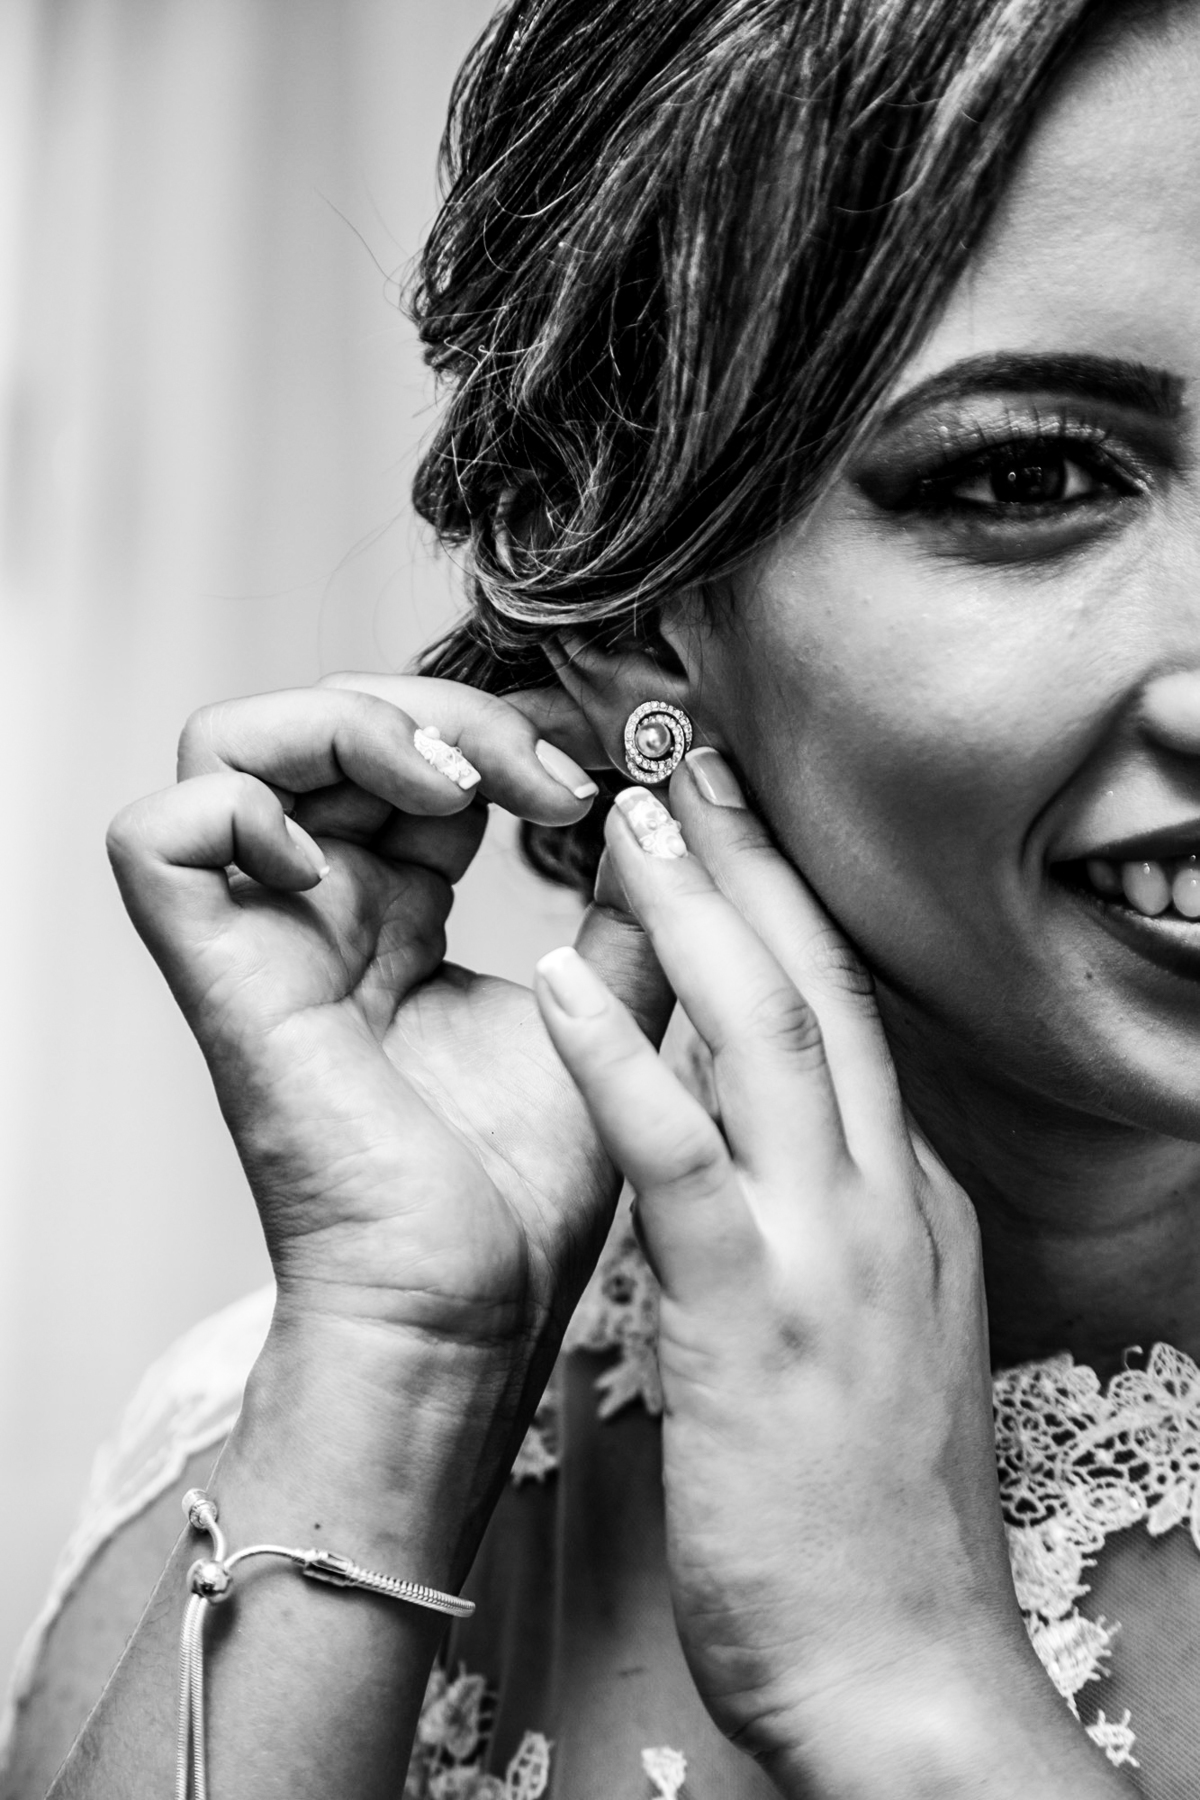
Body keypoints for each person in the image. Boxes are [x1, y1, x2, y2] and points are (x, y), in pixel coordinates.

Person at [4, 0, 1199, 1792]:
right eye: (1031, 477)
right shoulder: (296, 1420)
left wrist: (913, 1683)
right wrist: (403, 1365)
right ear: (642, 627)